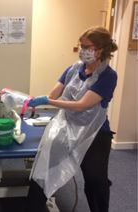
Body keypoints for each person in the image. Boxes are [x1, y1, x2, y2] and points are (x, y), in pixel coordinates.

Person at [25, 26, 118, 212]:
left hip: (95, 133)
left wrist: (49, 101)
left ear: (100, 49)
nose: (82, 50)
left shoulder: (108, 76)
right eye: (80, 45)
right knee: (43, 169)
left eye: (87, 46)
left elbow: (83, 105)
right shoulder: (73, 69)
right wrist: (36, 99)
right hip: (66, 127)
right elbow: (54, 93)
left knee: (95, 180)